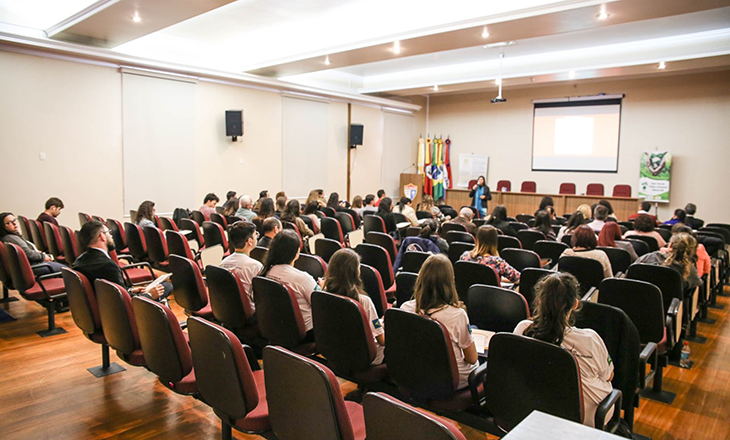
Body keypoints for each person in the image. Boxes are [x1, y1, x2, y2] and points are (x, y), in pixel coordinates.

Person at [513, 272, 614, 428]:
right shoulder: (589, 339)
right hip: (585, 418)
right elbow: (609, 376)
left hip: (534, 408)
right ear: (575, 304)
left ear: (539, 301)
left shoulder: (522, 330)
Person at [400, 254, 478, 389]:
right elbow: (472, 359)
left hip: (418, 372)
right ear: (450, 282)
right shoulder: (457, 315)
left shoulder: (405, 308)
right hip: (452, 380)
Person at [73, 220, 170, 302]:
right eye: (109, 232)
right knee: (167, 286)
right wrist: (149, 295)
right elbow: (125, 302)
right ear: (102, 236)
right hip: (119, 313)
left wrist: (131, 290)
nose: (111, 236)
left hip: (103, 307)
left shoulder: (79, 260)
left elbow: (113, 292)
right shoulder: (108, 266)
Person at [323, 249, 384, 364]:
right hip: (369, 358)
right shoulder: (364, 301)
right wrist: (382, 327)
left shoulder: (323, 295)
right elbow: (382, 340)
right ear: (355, 272)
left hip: (339, 353)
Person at [259, 230, 321, 339]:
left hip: (276, 326)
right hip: (306, 332)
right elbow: (321, 304)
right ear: (297, 252)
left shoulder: (266, 272)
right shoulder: (303, 278)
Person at [1, 212, 65, 275]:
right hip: (33, 266)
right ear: (2, 227)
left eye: (14, 220)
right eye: (9, 223)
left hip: (30, 265)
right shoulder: (11, 238)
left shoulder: (8, 237)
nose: (14, 223)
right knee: (66, 270)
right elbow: (27, 253)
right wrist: (42, 257)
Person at [635, 232, 702, 291]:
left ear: (670, 245)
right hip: (670, 304)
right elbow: (697, 284)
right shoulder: (689, 269)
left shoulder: (647, 257)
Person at [220, 221, 262, 310]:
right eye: (255, 235)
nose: (257, 238)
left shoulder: (223, 262)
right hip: (249, 311)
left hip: (227, 308)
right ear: (249, 241)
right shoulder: (256, 266)